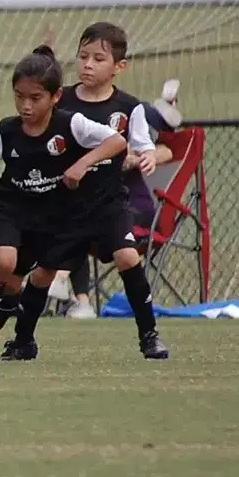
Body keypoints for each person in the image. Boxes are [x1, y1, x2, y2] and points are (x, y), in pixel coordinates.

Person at [0, 45, 168, 363]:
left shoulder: (73, 123)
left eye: (35, 98)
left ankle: (9, 334)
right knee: (6, 263)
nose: (26, 105)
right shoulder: (7, 129)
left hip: (58, 210)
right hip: (14, 207)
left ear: (55, 96)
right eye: (20, 96)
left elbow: (117, 141)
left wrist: (82, 163)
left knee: (44, 273)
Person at [49, 23, 179, 318]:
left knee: (116, 246)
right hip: (74, 196)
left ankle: (141, 314)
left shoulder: (129, 107)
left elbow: (149, 145)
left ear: (119, 66)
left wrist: (145, 156)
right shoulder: (61, 100)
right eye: (83, 57)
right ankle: (79, 300)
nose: (88, 65)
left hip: (123, 203)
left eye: (98, 59)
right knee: (69, 212)